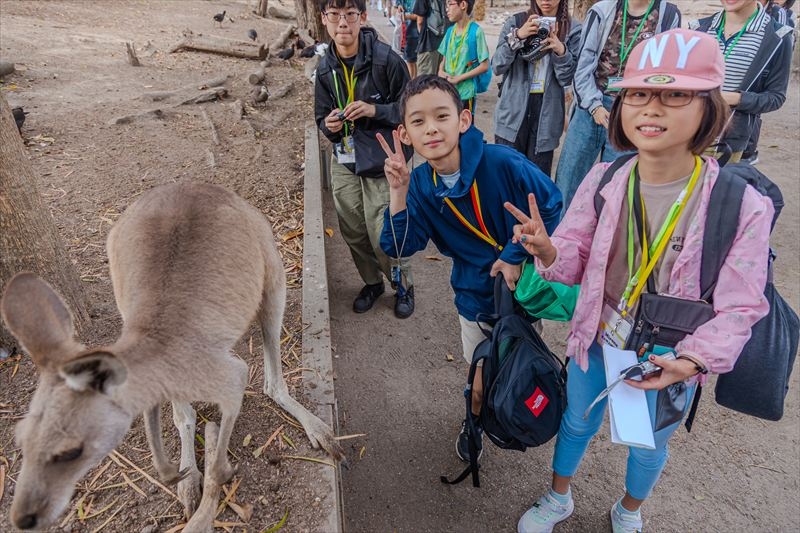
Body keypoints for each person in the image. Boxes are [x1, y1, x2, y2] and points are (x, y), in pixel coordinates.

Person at [504, 29, 773, 533]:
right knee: (577, 418)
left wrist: (691, 361)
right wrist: (548, 250)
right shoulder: (606, 178)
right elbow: (574, 259)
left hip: (669, 354)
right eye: (638, 94)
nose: (652, 108)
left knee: (650, 440)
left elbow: (741, 307)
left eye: (675, 95)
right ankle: (558, 496)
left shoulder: (741, 206)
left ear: (710, 109)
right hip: (597, 335)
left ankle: (629, 509)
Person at [377, 75, 563, 464]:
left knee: (518, 360)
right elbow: (399, 245)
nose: (431, 128)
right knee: (479, 372)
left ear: (463, 120)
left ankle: (515, 413)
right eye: (418, 121)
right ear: (405, 134)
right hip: (473, 297)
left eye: (441, 116)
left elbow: (551, 203)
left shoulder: (503, 163)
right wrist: (397, 191)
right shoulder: (420, 185)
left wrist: (515, 255)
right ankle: (475, 420)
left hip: (523, 292)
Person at [314, 0, 416, 318]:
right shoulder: (325, 68)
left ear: (362, 17)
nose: (342, 22)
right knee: (353, 229)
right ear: (324, 19)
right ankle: (372, 283)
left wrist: (376, 110)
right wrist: (328, 127)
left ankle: (403, 285)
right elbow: (320, 116)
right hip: (345, 160)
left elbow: (412, 108)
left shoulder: (386, 60)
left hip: (381, 159)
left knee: (382, 230)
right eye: (334, 14)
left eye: (349, 15)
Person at [554, 0, 681, 213]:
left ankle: (605, 240)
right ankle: (559, 240)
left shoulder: (668, 14)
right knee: (569, 181)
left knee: (617, 187)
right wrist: (594, 106)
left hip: (633, 110)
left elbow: (667, 69)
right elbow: (584, 64)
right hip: (592, 105)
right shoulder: (602, 11)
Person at [690, 0, 793, 164]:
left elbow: (775, 97)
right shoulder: (697, 29)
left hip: (727, 144)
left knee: (721, 189)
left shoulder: (777, 36)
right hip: (686, 135)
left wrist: (734, 99)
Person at [492, 0, 581, 177]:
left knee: (536, 181)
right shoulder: (516, 22)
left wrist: (561, 51)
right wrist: (518, 36)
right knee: (506, 178)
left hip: (546, 116)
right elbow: (497, 66)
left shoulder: (572, 28)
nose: (545, 1)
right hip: (512, 112)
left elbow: (567, 78)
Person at [437, 0, 490, 114]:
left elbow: (484, 66)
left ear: (463, 5)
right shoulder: (450, 31)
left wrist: (458, 78)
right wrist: (441, 71)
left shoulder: (476, 32)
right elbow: (444, 61)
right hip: (448, 92)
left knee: (465, 127)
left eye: (450, 4)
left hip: (466, 93)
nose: (447, 9)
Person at [414, 0, 449, 75]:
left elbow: (420, 21)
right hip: (446, 43)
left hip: (428, 44)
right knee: (441, 81)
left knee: (425, 82)